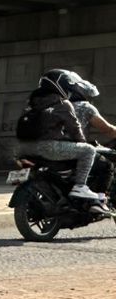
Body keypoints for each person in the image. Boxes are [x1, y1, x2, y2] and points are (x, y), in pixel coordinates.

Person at [18, 69, 112, 202]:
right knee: (88, 151)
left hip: (25, 149)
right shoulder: (62, 104)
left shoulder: (31, 104)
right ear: (61, 86)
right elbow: (75, 128)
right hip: (49, 147)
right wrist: (82, 142)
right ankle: (80, 186)